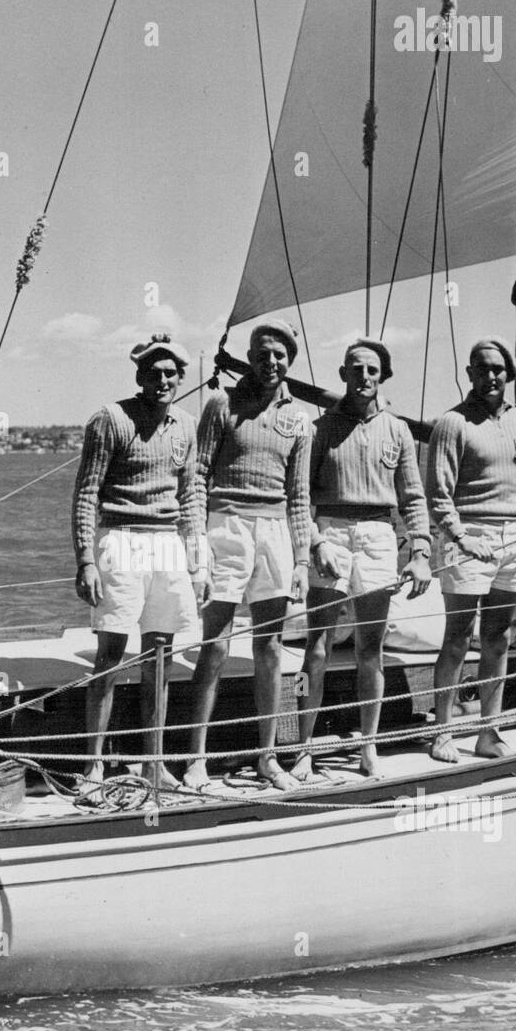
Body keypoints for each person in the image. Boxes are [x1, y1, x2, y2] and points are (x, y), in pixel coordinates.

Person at [426, 339, 516, 762]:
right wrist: (460, 537)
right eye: (482, 369)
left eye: (499, 369)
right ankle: (442, 734)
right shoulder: (451, 424)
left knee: (499, 637)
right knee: (456, 638)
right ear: (470, 373)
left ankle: (489, 733)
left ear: (510, 374)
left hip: (513, 536)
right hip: (466, 536)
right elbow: (438, 496)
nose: (492, 376)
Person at [293, 340, 432, 781]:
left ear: (383, 377)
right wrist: (314, 542)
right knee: (316, 648)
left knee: (370, 649)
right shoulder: (319, 429)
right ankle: (302, 747)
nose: (364, 376)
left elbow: (413, 499)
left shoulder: (399, 432)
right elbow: (298, 496)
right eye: (356, 369)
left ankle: (368, 746)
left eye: (373, 370)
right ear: (343, 374)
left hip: (378, 536)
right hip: (330, 531)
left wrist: (422, 551)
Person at [72, 334, 204, 794]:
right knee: (109, 658)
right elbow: (87, 492)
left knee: (161, 659)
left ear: (181, 379)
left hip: (166, 545)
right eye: (154, 373)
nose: (163, 380)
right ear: (139, 377)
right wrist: (86, 559)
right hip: (120, 542)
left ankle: (155, 763)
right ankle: (93, 767)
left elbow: (191, 496)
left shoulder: (187, 425)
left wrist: (197, 560)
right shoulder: (110, 419)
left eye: (171, 374)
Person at [184, 319, 311, 791]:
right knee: (214, 645)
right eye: (262, 353)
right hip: (226, 526)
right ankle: (196, 758)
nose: (270, 361)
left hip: (276, 530)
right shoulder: (221, 405)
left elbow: (299, 496)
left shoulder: (300, 420)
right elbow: (196, 475)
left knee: (270, 647)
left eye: (279, 355)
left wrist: (301, 560)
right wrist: (197, 539)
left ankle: (267, 756)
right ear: (251, 357)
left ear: (289, 361)